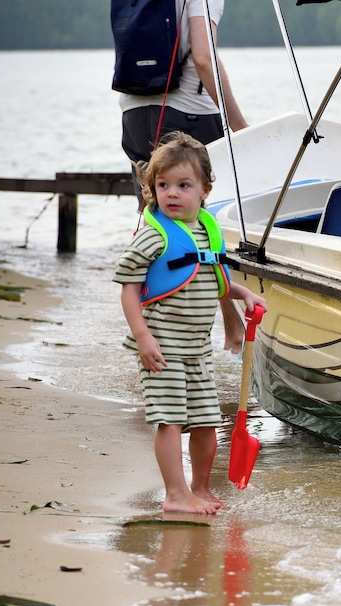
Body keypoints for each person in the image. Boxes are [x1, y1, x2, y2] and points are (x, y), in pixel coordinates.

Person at [114, 131, 266, 515]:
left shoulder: (203, 231)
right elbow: (129, 291)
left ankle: (199, 487)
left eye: (183, 185)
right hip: (162, 348)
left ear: (205, 190)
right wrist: (143, 337)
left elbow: (212, 278)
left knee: (205, 422)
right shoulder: (153, 238)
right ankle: (176, 495)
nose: (172, 193)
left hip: (197, 350)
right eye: (163, 185)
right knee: (169, 420)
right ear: (152, 191)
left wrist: (244, 294)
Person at [118, 0, 248, 353]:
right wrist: (239, 125)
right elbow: (203, 57)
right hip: (189, 114)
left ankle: (150, 334)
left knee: (156, 224)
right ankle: (230, 332)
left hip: (134, 112)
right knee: (206, 225)